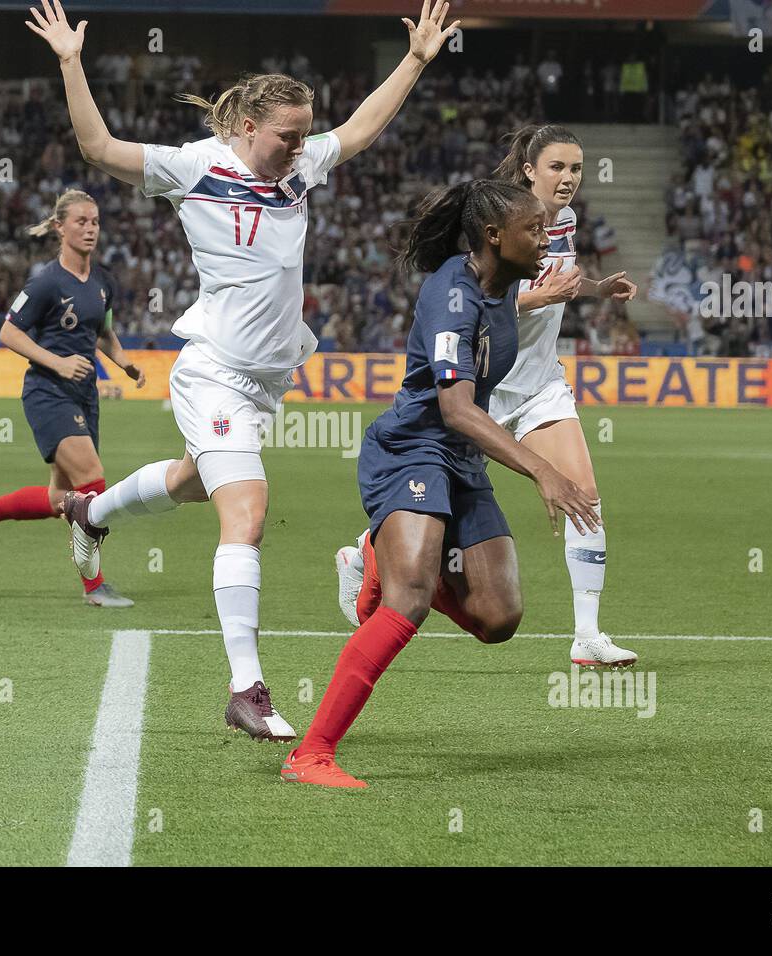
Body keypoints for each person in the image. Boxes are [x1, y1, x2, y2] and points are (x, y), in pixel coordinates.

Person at [47, 0, 461, 741]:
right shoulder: (192, 167)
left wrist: (417, 59)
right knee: (247, 512)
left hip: (266, 380)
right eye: (288, 135)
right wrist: (72, 62)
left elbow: (361, 130)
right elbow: (99, 146)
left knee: (193, 481)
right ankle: (247, 688)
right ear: (246, 129)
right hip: (213, 372)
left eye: (306, 134)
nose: (301, 147)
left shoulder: (300, 169)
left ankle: (90, 511)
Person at [283, 179, 600, 788]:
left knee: (498, 618)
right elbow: (455, 408)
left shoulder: (503, 289)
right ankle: (310, 755)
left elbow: (508, 333)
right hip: (412, 451)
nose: (544, 238)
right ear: (493, 236)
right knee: (408, 601)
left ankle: (378, 555)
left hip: (463, 460)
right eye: (533, 229)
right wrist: (542, 468)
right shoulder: (450, 296)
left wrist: (590, 289)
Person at [335, 124, 640, 668]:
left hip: (541, 382)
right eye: (557, 168)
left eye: (576, 168)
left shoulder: (563, 224)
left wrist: (595, 289)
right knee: (439, 501)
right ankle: (367, 549)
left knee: (584, 495)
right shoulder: (494, 226)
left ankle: (587, 634)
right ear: (529, 170)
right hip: (484, 384)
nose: (569, 178)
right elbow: (479, 303)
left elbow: (557, 283)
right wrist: (536, 298)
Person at [0, 189, 140, 608]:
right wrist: (57, 362)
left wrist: (125, 364)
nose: (90, 229)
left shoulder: (104, 281)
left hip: (84, 395)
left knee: (60, 501)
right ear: (59, 227)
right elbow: (7, 332)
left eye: (94, 222)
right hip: (47, 392)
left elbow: (103, 333)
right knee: (93, 483)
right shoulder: (45, 282)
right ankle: (95, 586)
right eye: (80, 222)